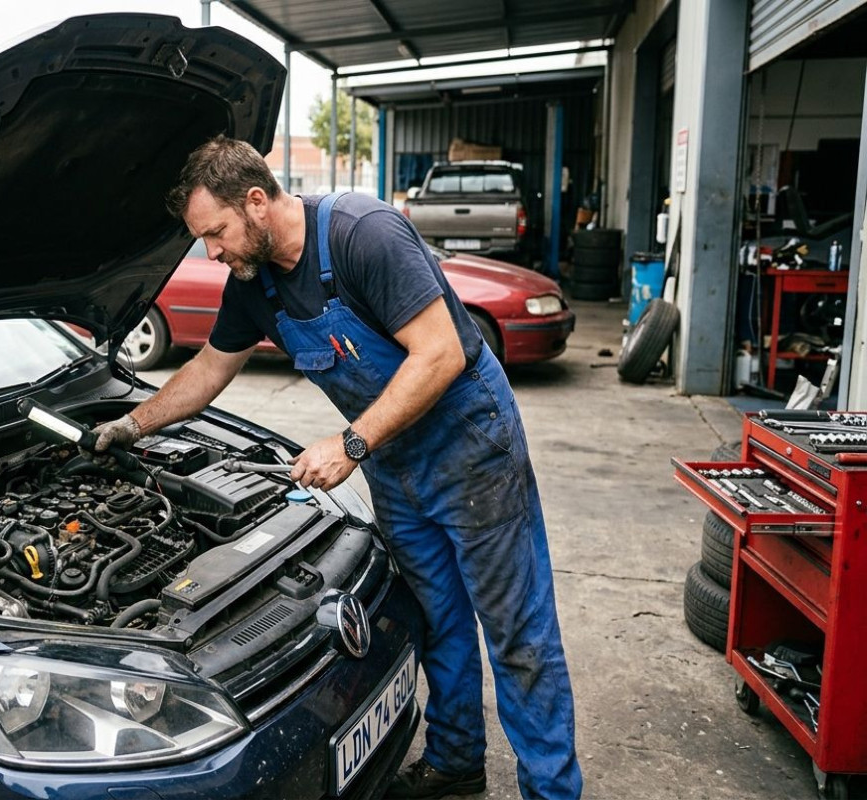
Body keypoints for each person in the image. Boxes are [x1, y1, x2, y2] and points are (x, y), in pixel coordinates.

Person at [93, 136, 581, 800]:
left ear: (257, 202)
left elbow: (439, 354)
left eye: (216, 233)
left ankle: (552, 791)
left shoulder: (363, 234)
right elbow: (209, 369)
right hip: (397, 463)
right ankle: (457, 762)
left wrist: (350, 445)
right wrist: (129, 424)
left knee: (517, 633)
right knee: (437, 619)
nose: (213, 252)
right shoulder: (252, 282)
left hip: (472, 449)